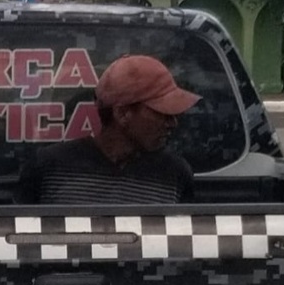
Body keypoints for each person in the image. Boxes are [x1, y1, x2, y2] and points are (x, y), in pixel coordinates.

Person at [16, 54, 199, 205]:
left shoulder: (175, 173)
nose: (172, 123)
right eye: (163, 113)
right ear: (122, 113)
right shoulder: (49, 168)